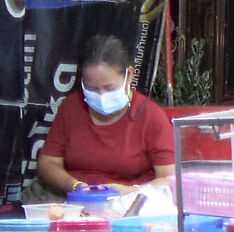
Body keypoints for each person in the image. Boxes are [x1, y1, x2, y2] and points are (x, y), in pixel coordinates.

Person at [37, 33, 175, 195]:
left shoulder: (151, 117)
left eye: (109, 88)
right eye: (92, 88)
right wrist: (76, 186)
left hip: (129, 204)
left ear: (129, 76)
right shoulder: (71, 107)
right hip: (73, 202)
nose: (101, 95)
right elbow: (48, 164)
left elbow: (169, 179)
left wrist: (132, 191)